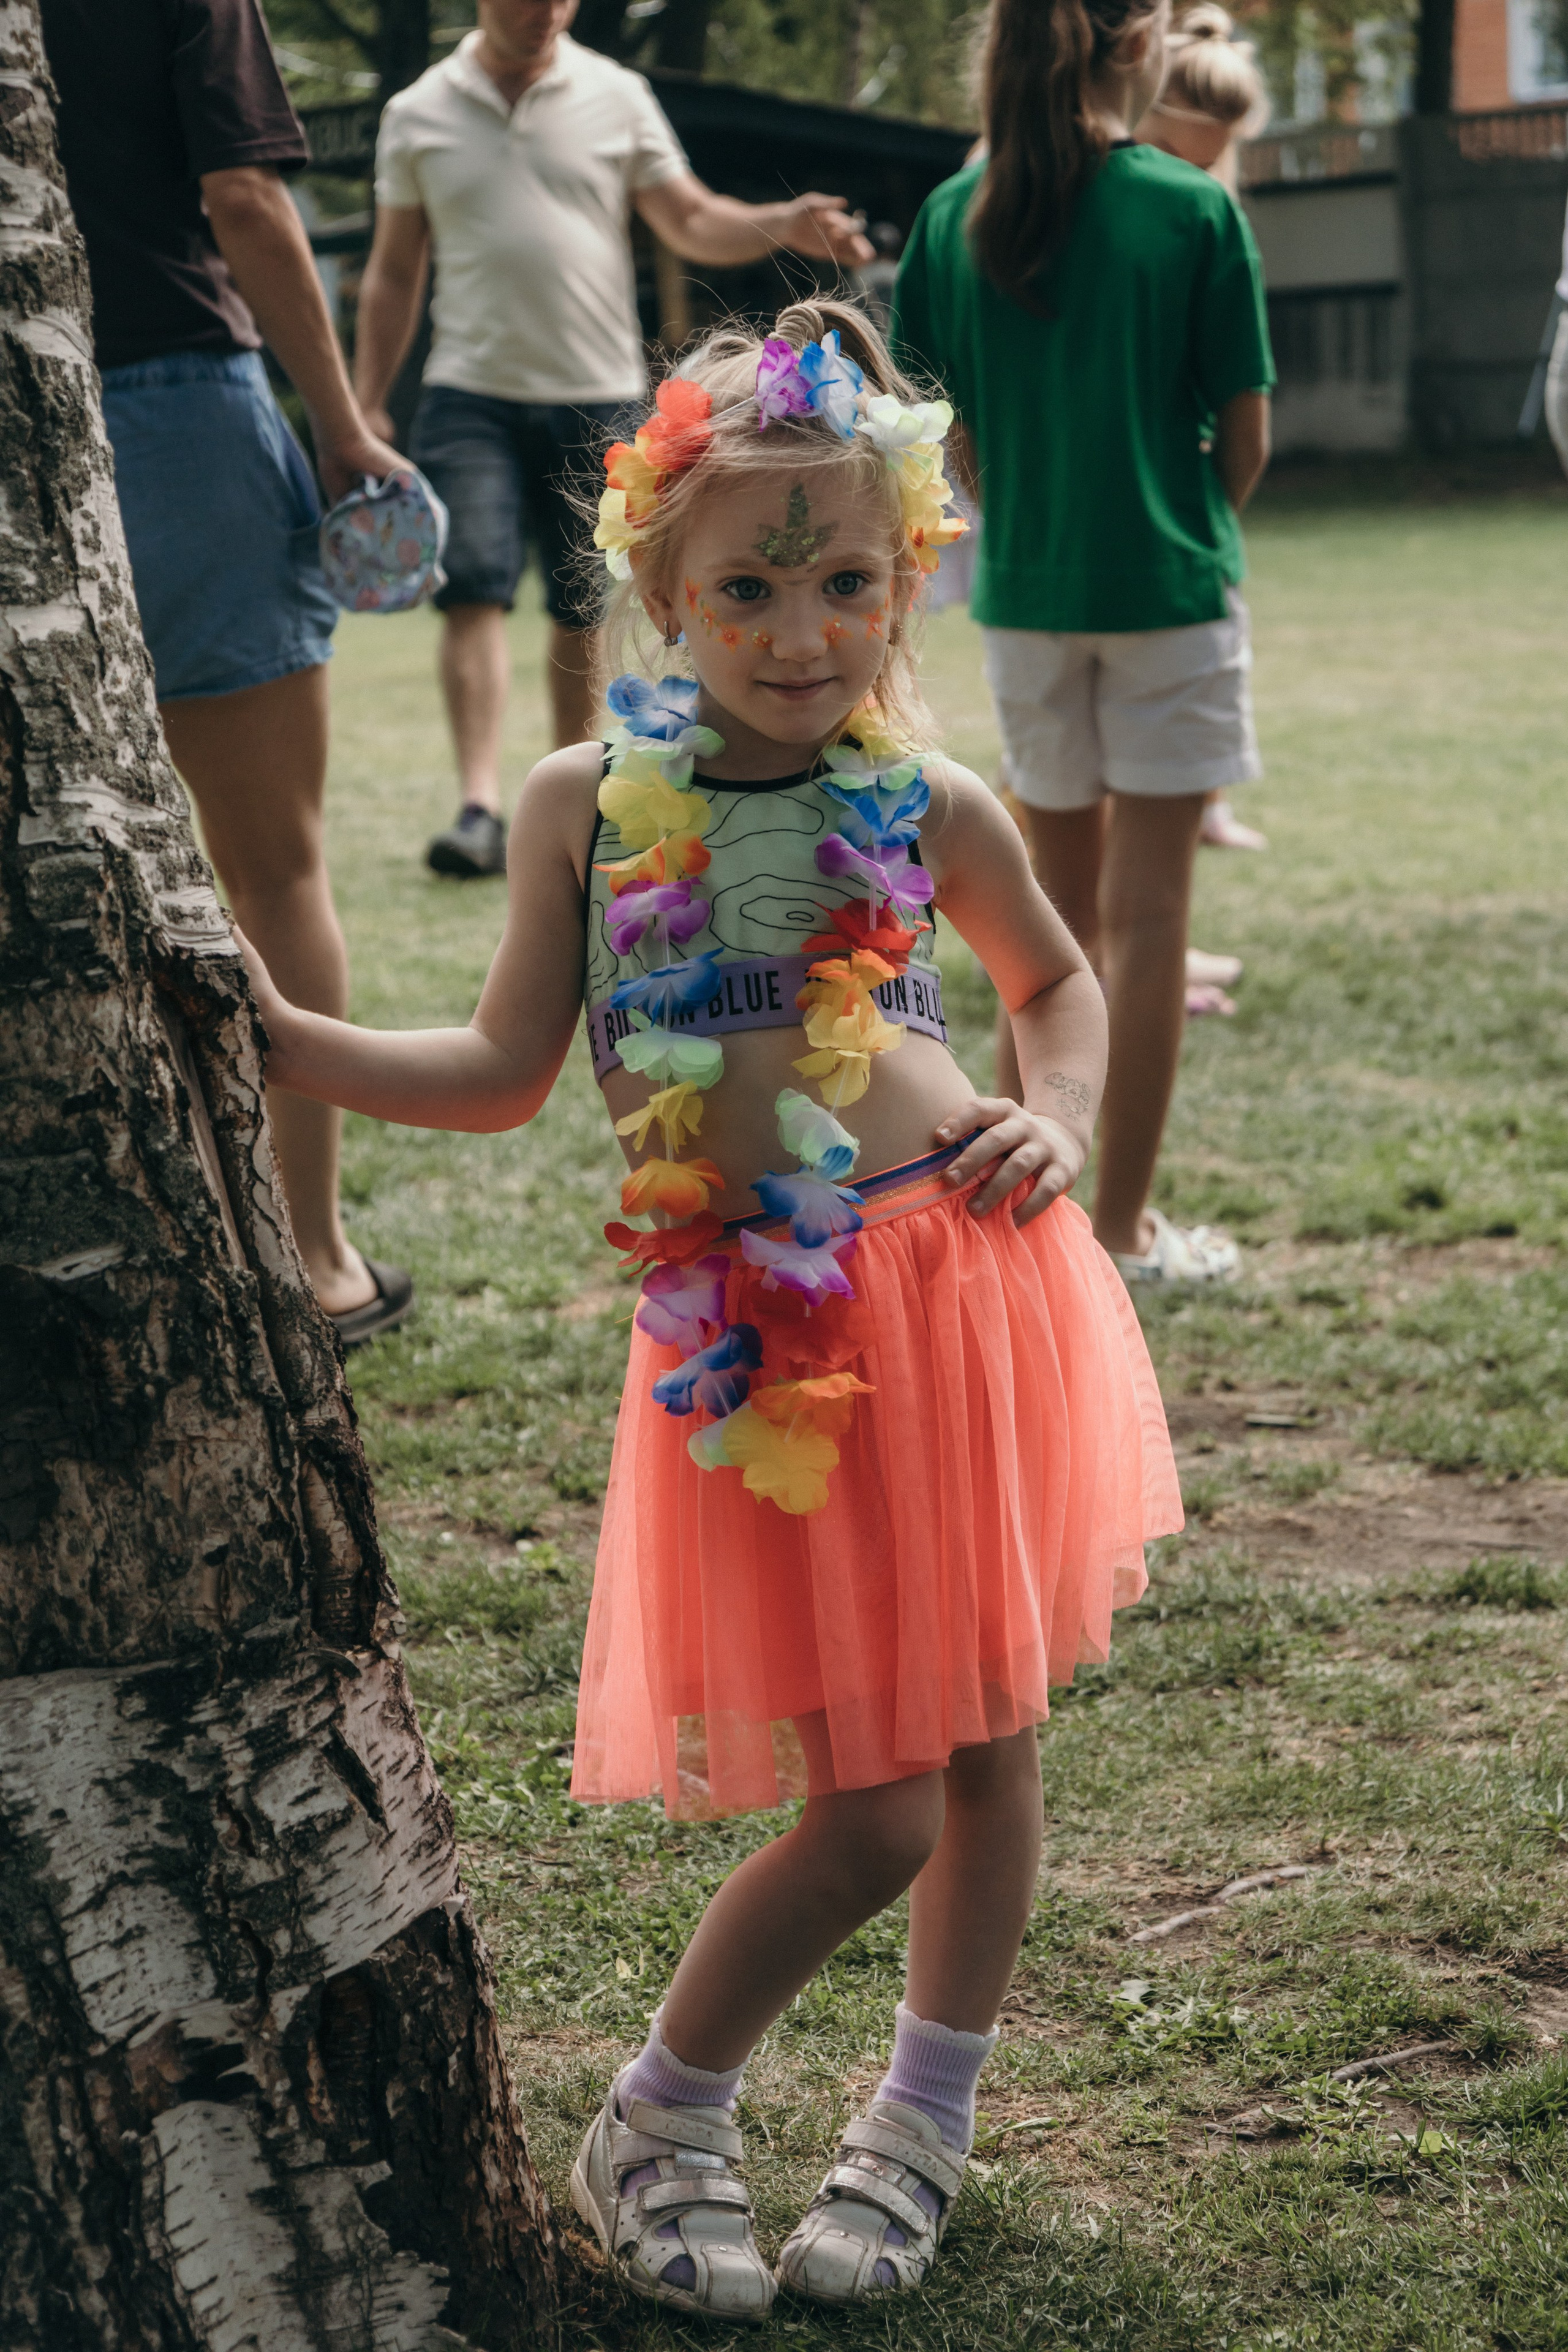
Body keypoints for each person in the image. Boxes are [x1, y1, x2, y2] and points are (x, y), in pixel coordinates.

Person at [239, 301, 1182, 2319]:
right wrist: (287, 1040)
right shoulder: (585, 802)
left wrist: (1067, 1120)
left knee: (992, 1747)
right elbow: (505, 1069)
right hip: (759, 1320)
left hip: (959, 1276)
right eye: (745, 586)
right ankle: (665, 2108)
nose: (797, 629)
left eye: (845, 580)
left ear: (904, 575)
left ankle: (920, 2123)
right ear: (664, 588)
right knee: (865, 1806)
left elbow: (1063, 984)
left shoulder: (928, 801)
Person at [39, 0, 413, 1343]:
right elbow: (245, 196)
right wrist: (348, 425)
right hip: (180, 416)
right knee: (276, 863)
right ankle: (310, 1259)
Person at [892, 0, 1275, 1289]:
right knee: (1148, 916)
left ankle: (1029, 1237)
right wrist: (1178, 526)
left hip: (1024, 598)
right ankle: (1117, 1230)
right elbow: (1248, 436)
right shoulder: (1189, 206)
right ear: (1136, 45)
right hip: (1169, 590)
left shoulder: (952, 216)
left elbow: (937, 433)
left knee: (1041, 929)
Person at [352, 0, 875, 880]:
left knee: (582, 603)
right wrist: (365, 397)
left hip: (595, 391)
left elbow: (689, 218)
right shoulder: (418, 111)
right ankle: (480, 806)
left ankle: (580, 791)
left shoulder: (617, 93)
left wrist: (780, 223)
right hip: (467, 387)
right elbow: (396, 267)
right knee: (472, 590)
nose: (546, 11)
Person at [1140, 1, 1272, 864]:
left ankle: (1209, 803)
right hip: (1165, 532)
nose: (1209, 172)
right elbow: (1246, 428)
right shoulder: (1179, 212)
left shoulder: (1208, 211)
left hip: (1174, 527)